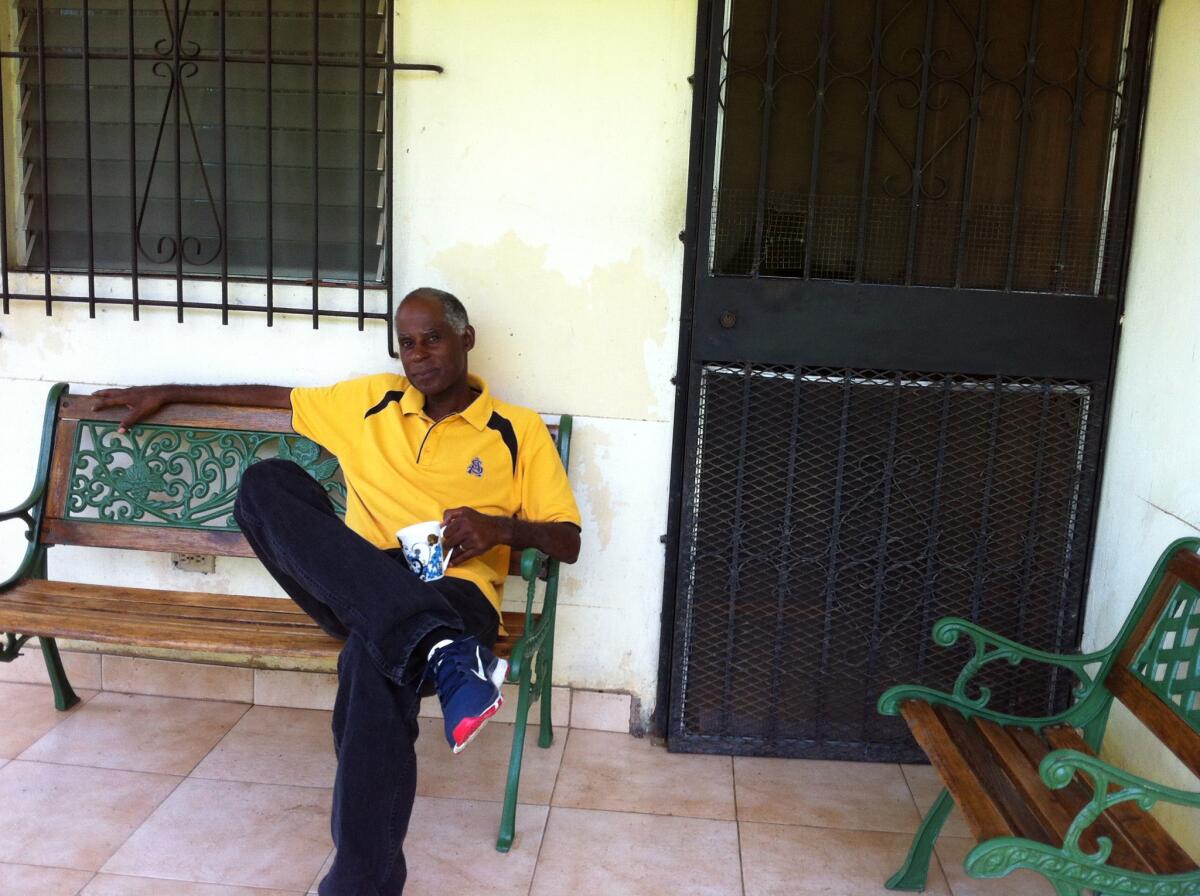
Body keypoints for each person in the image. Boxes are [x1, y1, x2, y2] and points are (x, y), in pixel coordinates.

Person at [92, 287, 582, 895]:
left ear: (466, 339)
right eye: (407, 343)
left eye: (433, 338)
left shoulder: (517, 430)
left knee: (373, 658)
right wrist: (169, 391)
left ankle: (359, 882)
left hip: (457, 592)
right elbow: (274, 398)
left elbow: (567, 540)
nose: (419, 355)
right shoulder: (371, 401)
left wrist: (501, 528)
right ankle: (443, 653)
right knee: (267, 482)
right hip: (358, 580)